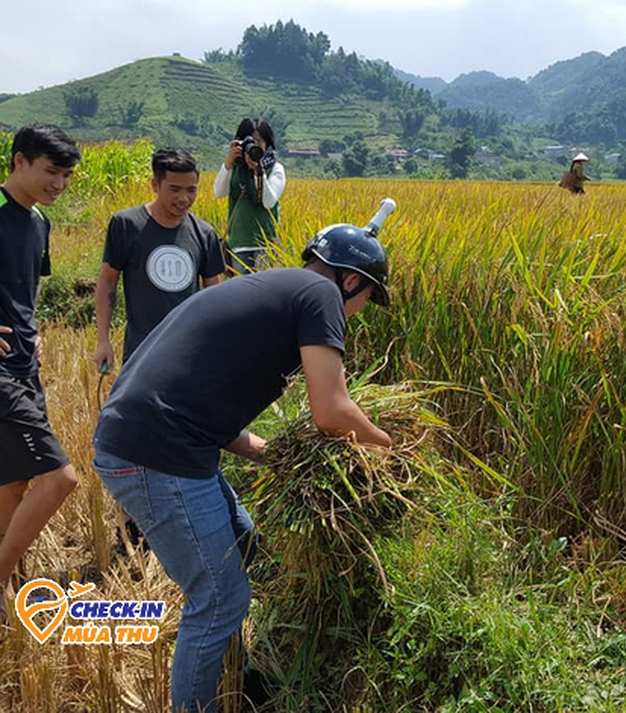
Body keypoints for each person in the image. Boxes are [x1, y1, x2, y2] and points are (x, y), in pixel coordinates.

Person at [92, 204, 394, 713]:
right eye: (367, 298)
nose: (360, 311)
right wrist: (388, 447)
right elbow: (332, 412)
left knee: (246, 548)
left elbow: (200, 393)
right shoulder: (319, 294)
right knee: (219, 598)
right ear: (349, 282)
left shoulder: (276, 290)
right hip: (157, 455)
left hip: (154, 440)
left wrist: (270, 454)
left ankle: (235, 674)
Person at [0, 125, 82, 622]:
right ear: (19, 161)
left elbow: (25, 292)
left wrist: (35, 332)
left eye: (66, 175)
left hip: (24, 367)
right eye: (52, 172)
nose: (60, 183)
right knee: (61, 478)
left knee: (12, 482)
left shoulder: (39, 225)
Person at [93, 148, 225, 374]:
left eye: (191, 190)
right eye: (174, 189)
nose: (184, 198)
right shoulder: (126, 224)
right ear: (155, 185)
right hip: (140, 352)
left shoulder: (205, 234)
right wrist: (103, 340)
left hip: (189, 352)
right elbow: (107, 282)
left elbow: (215, 296)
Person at [214, 118, 286, 274]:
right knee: (241, 295)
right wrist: (228, 162)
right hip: (238, 243)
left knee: (263, 295)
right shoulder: (235, 168)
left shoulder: (275, 169)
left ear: (267, 144)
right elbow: (218, 192)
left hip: (265, 245)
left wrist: (258, 171)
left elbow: (268, 201)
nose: (254, 146)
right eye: (249, 142)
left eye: (259, 142)